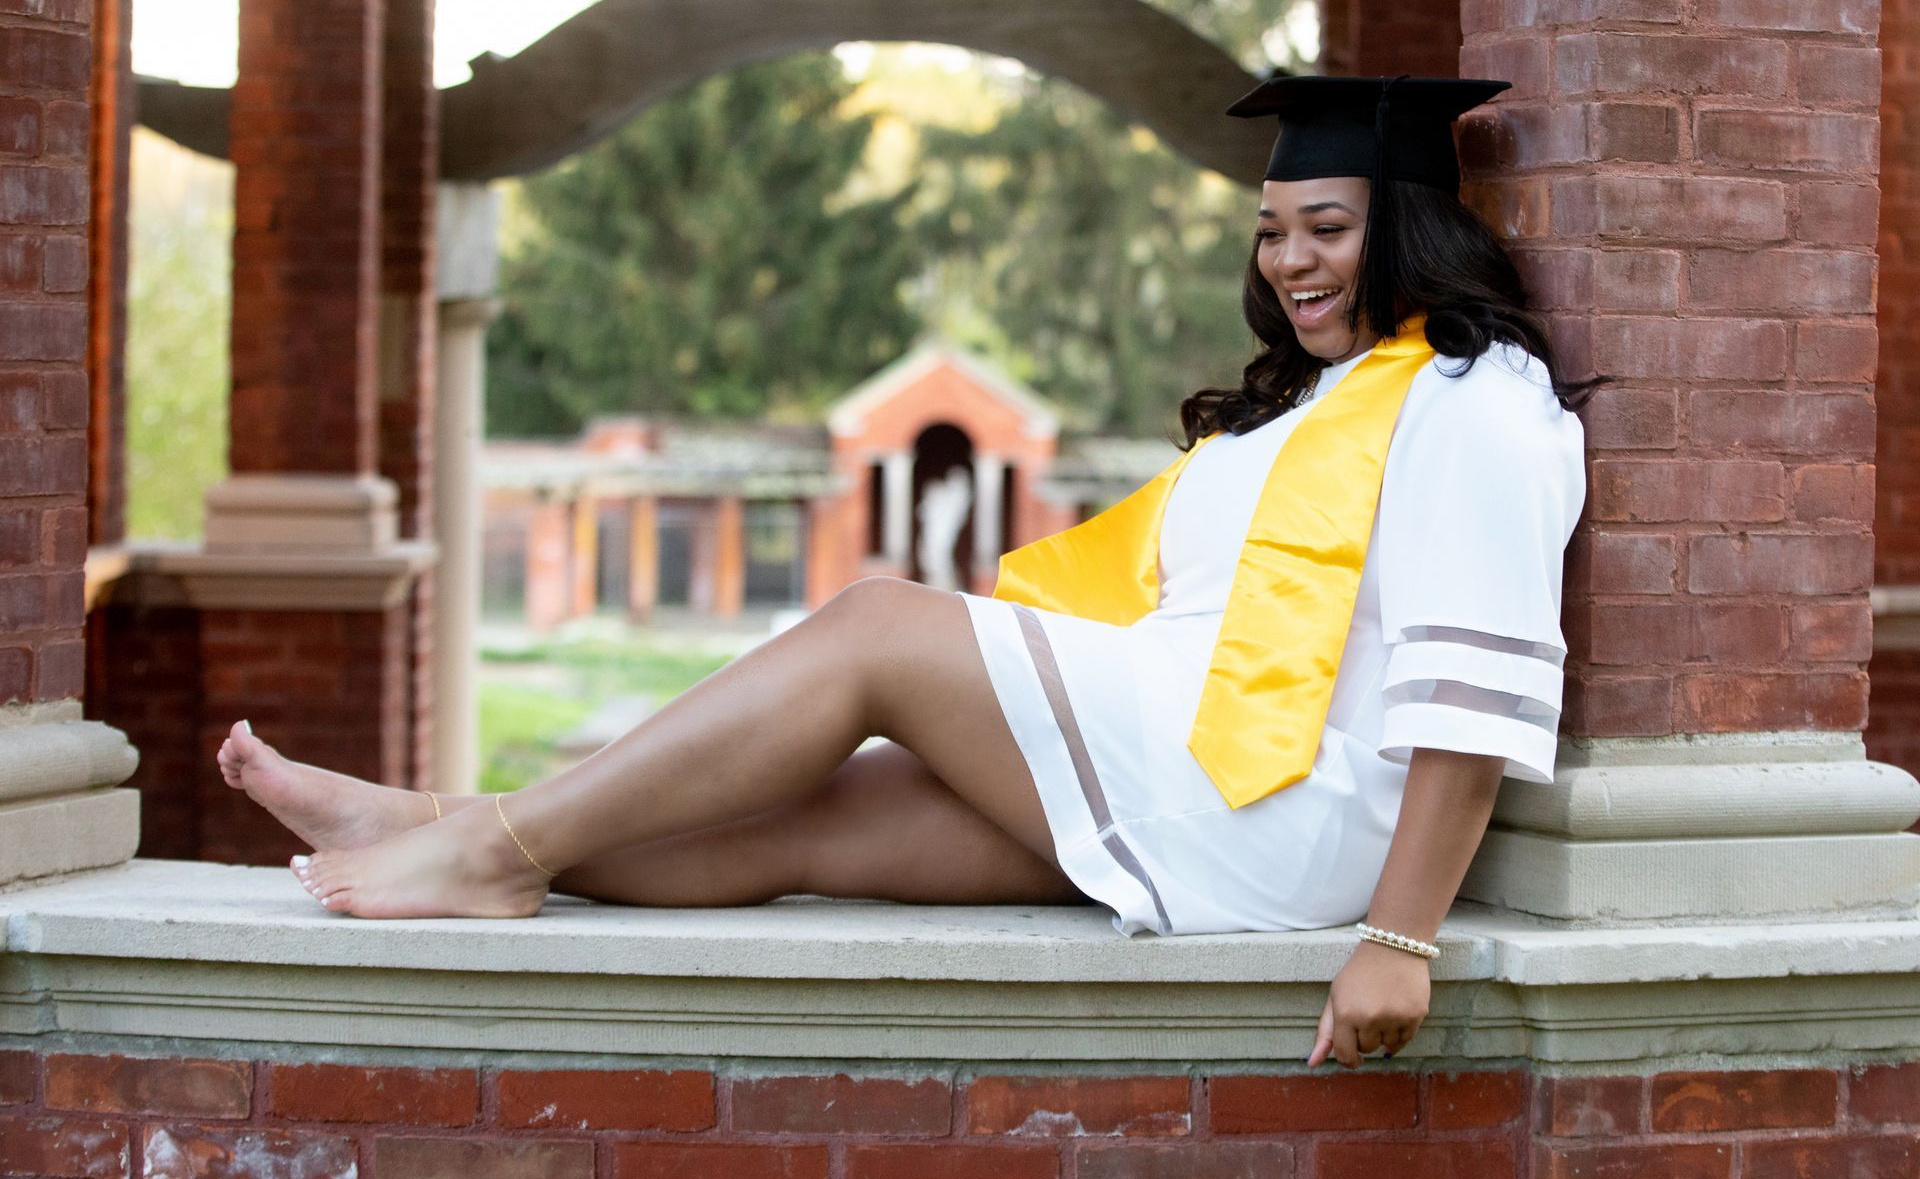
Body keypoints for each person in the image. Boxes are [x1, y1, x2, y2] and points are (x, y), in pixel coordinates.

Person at [215, 73, 1592, 1072]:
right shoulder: (1313, 400)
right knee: (797, 825)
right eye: (1272, 229)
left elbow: (1469, 692)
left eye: (1327, 228)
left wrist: (1399, 942)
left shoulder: (1476, 397)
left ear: (1401, 226)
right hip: (1190, 762)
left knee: (878, 626)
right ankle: (436, 823)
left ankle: (490, 849)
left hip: (1279, 802)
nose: (1291, 258)